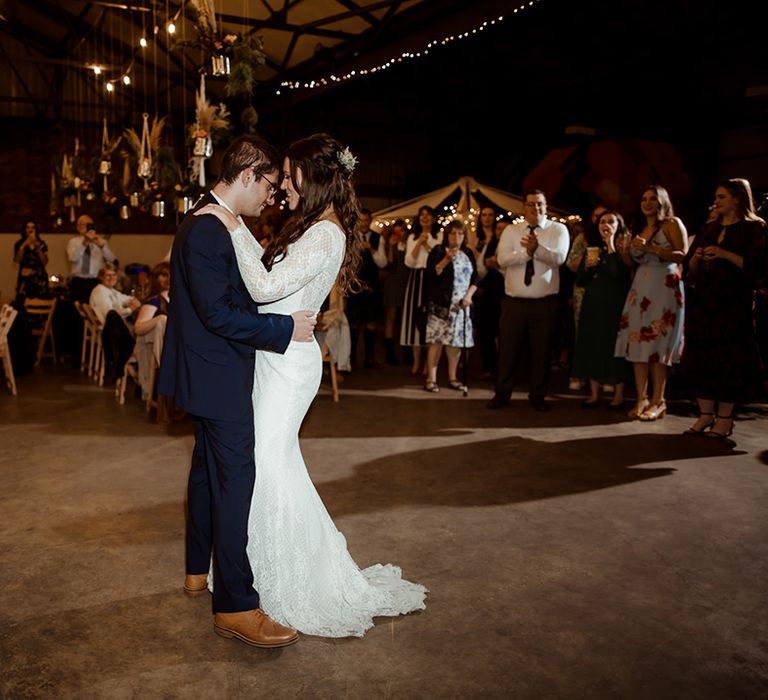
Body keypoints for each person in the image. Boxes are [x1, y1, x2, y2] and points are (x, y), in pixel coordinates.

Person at [197, 132, 427, 638]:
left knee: (269, 467)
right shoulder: (312, 229)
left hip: (288, 366)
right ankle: (252, 574)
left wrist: (228, 220)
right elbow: (271, 286)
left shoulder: (324, 234)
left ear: (313, 176)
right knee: (264, 464)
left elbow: (262, 287)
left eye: (290, 177)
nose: (284, 187)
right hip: (274, 354)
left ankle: (281, 585)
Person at [158, 135, 317, 650]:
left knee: (206, 472)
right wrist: (282, 329)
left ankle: (194, 570)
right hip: (218, 374)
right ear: (247, 174)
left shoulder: (214, 219)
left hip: (206, 372)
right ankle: (235, 606)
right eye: (270, 187)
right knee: (234, 485)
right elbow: (217, 313)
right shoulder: (209, 229)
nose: (272, 199)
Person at [682, 178, 767, 439]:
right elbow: (688, 269)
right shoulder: (709, 227)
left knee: (727, 359)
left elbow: (759, 268)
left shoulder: (754, 228)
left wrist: (724, 253)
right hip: (705, 302)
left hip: (732, 303)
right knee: (702, 356)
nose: (716, 202)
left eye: (722, 198)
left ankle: (725, 418)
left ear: (738, 199)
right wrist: (696, 258)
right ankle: (705, 414)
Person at [487, 189, 570, 412]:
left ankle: (538, 395)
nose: (536, 208)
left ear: (546, 205)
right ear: (524, 207)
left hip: (544, 303)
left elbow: (559, 258)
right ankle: (502, 393)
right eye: (531, 204)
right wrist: (527, 253)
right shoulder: (512, 231)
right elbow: (502, 259)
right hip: (514, 302)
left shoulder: (558, 229)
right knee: (507, 351)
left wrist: (538, 250)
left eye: (540, 204)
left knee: (541, 352)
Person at [614, 185, 687, 421]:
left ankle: (659, 400)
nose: (647, 203)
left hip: (664, 287)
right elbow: (631, 263)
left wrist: (652, 248)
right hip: (640, 288)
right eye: (644, 198)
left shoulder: (672, 224)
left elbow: (682, 254)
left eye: (652, 199)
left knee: (658, 345)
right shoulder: (641, 228)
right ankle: (641, 398)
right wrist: (624, 251)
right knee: (637, 343)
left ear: (662, 202)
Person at [570, 210, 633, 407]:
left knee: (614, 345)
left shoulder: (624, 250)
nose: (606, 225)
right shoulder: (592, 250)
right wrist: (587, 268)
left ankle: (618, 395)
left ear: (618, 225)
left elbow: (618, 274)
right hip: (593, 302)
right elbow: (581, 280)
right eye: (602, 222)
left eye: (611, 222)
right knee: (592, 344)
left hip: (615, 302)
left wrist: (611, 244)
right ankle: (595, 393)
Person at [423, 220, 478, 392]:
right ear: (447, 235)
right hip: (441, 305)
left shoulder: (468, 253)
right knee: (436, 341)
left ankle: (453, 377)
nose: (457, 237)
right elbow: (432, 274)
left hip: (461, 306)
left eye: (460, 233)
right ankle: (431, 379)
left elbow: (475, 278)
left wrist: (469, 295)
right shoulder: (439, 251)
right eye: (453, 233)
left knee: (455, 344)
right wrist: (447, 259)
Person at [400, 205, 442, 376]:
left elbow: (438, 257)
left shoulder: (439, 236)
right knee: (413, 319)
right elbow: (409, 261)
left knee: (429, 320)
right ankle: (417, 361)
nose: (425, 218)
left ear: (433, 218)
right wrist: (419, 242)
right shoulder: (412, 237)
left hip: (432, 279)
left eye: (428, 215)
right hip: (416, 278)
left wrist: (427, 242)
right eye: (422, 215)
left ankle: (428, 363)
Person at [345, 208, 386, 368]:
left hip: (372, 286)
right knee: (354, 322)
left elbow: (382, 263)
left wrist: (372, 249)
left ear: (370, 221)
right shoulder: (350, 237)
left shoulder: (377, 238)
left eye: (366, 220)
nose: (363, 223)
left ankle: (369, 358)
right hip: (354, 286)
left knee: (371, 323)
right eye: (360, 220)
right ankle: (352, 357)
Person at [474, 210, 506, 380]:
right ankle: (489, 368)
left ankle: (503, 368)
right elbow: (481, 268)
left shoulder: (513, 246)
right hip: (488, 294)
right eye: (498, 229)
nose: (500, 232)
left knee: (504, 333)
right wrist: (489, 263)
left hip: (506, 294)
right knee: (486, 332)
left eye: (503, 229)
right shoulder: (490, 244)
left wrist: (497, 264)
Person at [66, 215, 116, 303]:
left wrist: (102, 247)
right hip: (78, 281)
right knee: (77, 309)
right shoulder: (73, 242)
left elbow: (112, 259)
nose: (86, 227)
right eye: (83, 224)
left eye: (89, 225)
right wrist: (85, 242)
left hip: (95, 280)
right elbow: (73, 258)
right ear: (78, 227)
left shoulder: (101, 241)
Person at [381, 219, 410, 365]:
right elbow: (388, 263)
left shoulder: (409, 244)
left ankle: (407, 353)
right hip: (393, 283)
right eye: (396, 231)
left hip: (407, 283)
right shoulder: (388, 244)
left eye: (402, 231)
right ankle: (390, 354)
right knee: (391, 317)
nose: (399, 234)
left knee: (406, 318)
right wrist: (391, 247)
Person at [14, 220, 50, 300]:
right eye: (28, 227)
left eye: (33, 227)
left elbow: (45, 262)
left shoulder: (42, 244)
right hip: (25, 280)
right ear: (24, 230)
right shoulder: (19, 244)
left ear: (36, 230)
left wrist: (38, 247)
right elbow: (17, 260)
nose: (30, 230)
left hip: (39, 279)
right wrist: (24, 245)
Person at [134, 261, 170, 336]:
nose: (168, 279)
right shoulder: (154, 300)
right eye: (164, 275)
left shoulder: (172, 299)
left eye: (171, 275)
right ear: (155, 278)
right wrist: (161, 319)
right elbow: (138, 328)